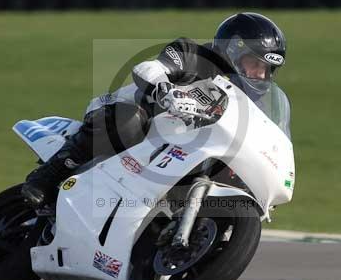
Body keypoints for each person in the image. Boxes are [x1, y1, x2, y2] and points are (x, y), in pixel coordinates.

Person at [21, 12, 291, 208]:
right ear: (233, 48)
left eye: (267, 69)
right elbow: (149, 68)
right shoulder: (193, 55)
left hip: (179, 150)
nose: (260, 74)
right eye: (254, 64)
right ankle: (50, 175)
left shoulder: (251, 102)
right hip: (134, 118)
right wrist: (165, 90)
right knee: (129, 120)